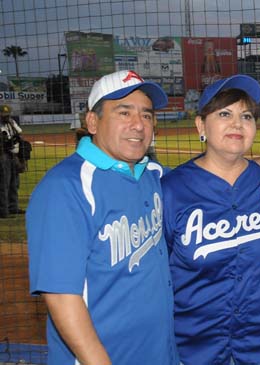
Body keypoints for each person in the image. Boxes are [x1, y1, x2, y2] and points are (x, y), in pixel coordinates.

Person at [26, 70, 179, 365]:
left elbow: (201, 179)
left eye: (147, 115)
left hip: (159, 352)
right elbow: (61, 296)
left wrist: (250, 166)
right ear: (93, 122)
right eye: (124, 112)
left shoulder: (152, 175)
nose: (138, 125)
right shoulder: (65, 187)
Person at [161, 75, 260, 365]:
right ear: (201, 125)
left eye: (246, 116)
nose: (237, 124)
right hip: (191, 349)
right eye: (224, 114)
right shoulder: (171, 190)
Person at [0, 104, 25, 218]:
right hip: (3, 156)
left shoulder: (11, 122)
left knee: (14, 183)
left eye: (7, 114)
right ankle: (3, 211)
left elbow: (20, 133)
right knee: (3, 184)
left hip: (13, 156)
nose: (5, 117)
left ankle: (13, 207)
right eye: (3, 115)